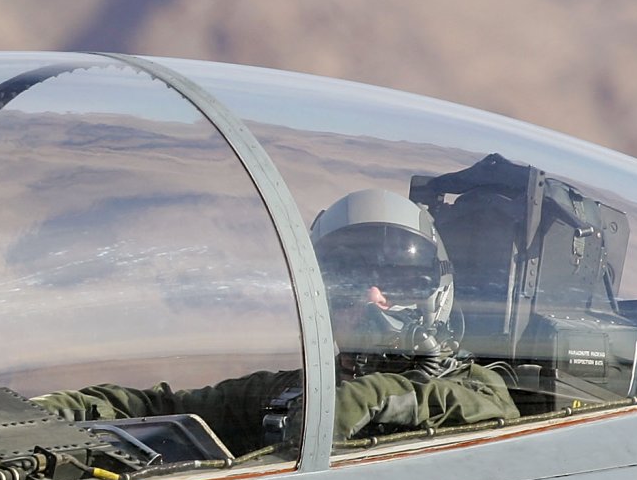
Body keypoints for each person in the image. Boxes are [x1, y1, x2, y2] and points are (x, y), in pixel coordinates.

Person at [32, 188, 517, 451]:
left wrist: (364, 398)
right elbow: (163, 406)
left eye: (400, 279)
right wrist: (43, 412)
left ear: (438, 289)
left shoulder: (481, 391)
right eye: (348, 278)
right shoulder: (288, 393)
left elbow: (484, 416)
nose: (372, 295)